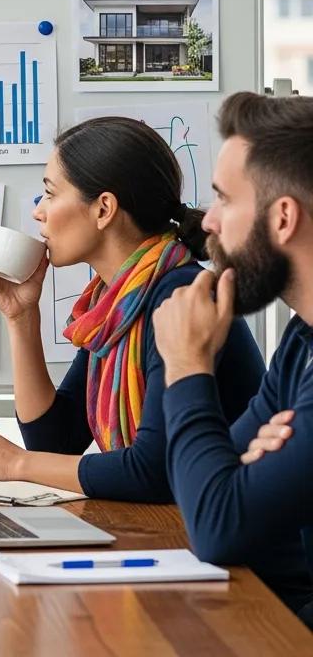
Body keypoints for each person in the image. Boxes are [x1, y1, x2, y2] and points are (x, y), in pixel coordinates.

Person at [0, 116, 265, 501]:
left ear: (103, 209)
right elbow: (56, 441)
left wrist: (15, 464)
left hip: (231, 548)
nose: (39, 212)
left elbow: (152, 470)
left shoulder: (182, 298)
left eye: (50, 194)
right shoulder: (117, 302)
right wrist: (21, 316)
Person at [154, 92, 313, 626]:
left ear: (283, 217)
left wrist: (187, 366)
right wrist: (237, 472)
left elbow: (216, 525)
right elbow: (203, 485)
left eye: (223, 199)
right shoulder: (302, 342)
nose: (209, 223)